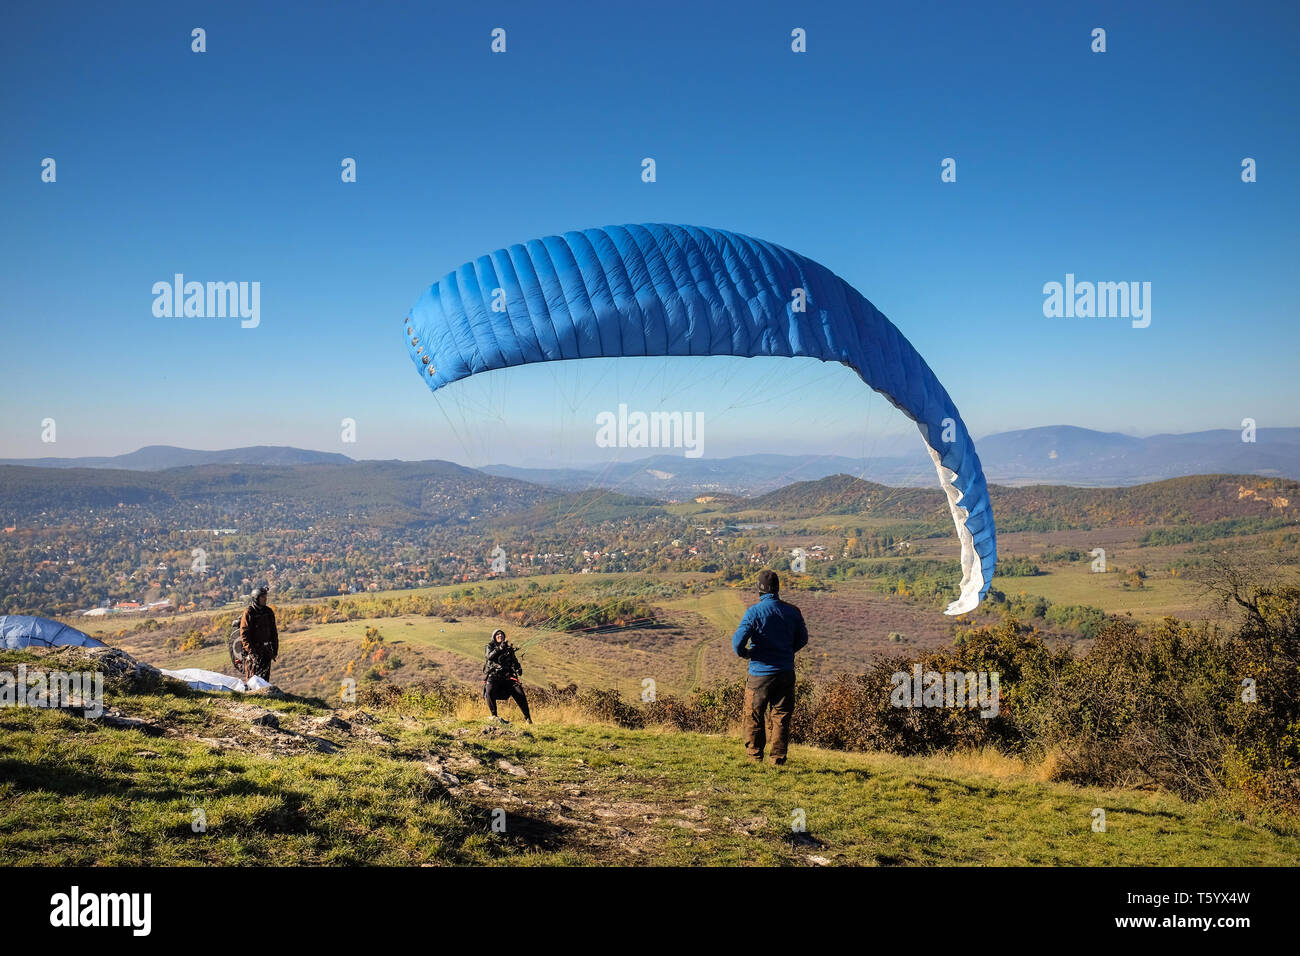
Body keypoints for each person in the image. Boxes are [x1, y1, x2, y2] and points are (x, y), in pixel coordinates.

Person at [731, 570, 808, 765]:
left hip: (760, 673)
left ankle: (755, 757)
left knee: (754, 715)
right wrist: (787, 652)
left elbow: (737, 642)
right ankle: (777, 759)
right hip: (785, 672)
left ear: (759, 589)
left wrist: (746, 653)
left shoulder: (754, 612)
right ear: (778, 588)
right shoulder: (793, 611)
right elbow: (803, 639)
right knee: (781, 717)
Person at [482, 628, 533, 724]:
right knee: (489, 691)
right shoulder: (490, 646)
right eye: (497, 634)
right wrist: (500, 648)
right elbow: (489, 657)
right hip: (494, 676)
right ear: (494, 637)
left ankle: (528, 718)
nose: (500, 636)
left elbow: (514, 660)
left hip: (507, 676)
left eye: (501, 634)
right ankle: (494, 716)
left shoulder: (508, 649)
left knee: (520, 693)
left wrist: (518, 668)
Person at [238, 585, 279, 681]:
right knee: (253, 680)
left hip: (266, 651)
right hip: (254, 652)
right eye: (262, 597)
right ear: (256, 598)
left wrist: (275, 649)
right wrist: (252, 652)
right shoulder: (249, 613)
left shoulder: (268, 612)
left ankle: (265, 695)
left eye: (265, 597)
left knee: (265, 679)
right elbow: (244, 635)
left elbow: (273, 632)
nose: (265, 599)